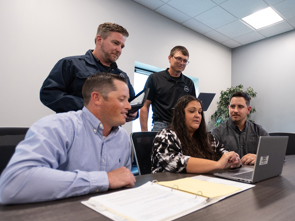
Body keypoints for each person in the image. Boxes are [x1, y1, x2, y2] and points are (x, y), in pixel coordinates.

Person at [0, 73, 136, 204]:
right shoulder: (57, 126)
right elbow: (13, 183)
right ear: (97, 98)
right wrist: (105, 179)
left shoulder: (122, 137)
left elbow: (124, 181)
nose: (129, 106)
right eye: (121, 99)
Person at [40, 22, 137, 121]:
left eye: (122, 46)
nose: (119, 50)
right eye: (115, 43)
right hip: (75, 129)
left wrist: (133, 113)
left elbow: (130, 103)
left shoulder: (122, 76)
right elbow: (49, 93)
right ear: (100, 40)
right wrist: (88, 107)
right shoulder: (70, 64)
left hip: (110, 133)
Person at [151, 95, 241, 174]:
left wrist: (234, 159)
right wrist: (218, 164)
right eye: (191, 111)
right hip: (168, 186)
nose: (197, 115)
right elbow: (176, 163)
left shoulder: (208, 138)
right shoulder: (165, 136)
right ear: (180, 114)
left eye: (199, 112)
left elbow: (223, 153)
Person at [140, 46, 196, 132]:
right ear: (170, 58)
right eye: (178, 58)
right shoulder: (155, 78)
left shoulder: (189, 83)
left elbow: (192, 108)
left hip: (181, 127)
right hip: (160, 126)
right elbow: (144, 105)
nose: (182, 63)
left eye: (185, 61)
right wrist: (144, 132)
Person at [211, 92, 269, 165]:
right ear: (229, 108)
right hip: (227, 174)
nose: (235, 110)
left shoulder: (258, 130)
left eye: (240, 107)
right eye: (232, 106)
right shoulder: (217, 133)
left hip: (253, 174)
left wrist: (259, 157)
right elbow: (210, 159)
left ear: (248, 109)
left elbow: (277, 154)